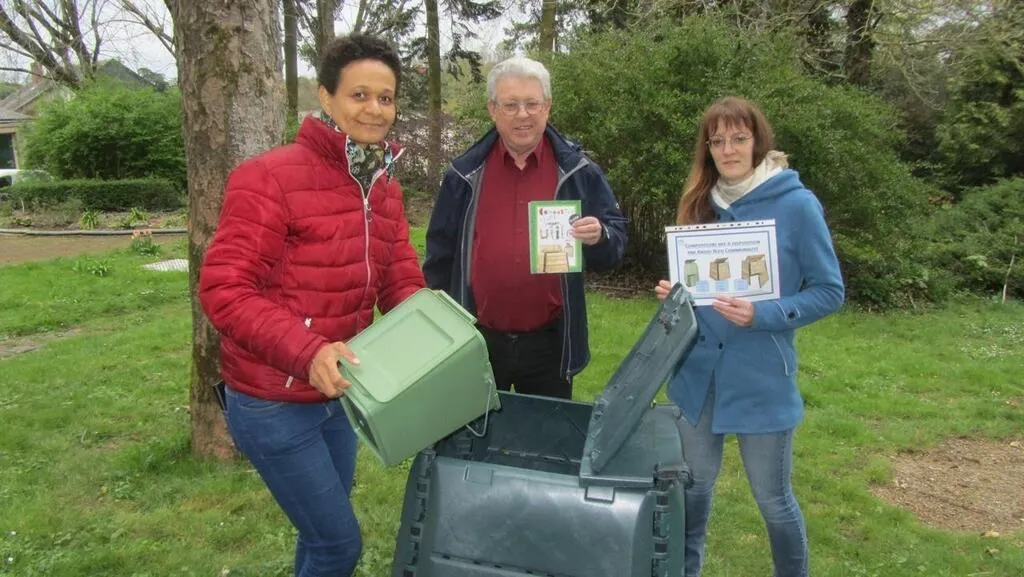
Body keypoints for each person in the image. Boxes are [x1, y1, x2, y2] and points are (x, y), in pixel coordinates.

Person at [198, 34, 425, 577]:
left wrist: (433, 328)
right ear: (326, 98)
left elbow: (398, 276)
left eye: (386, 98)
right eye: (359, 95)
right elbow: (224, 289)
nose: (375, 109)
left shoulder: (382, 186)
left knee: (320, 532)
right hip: (273, 399)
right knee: (336, 544)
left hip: (340, 392)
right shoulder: (269, 177)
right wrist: (308, 352)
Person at [655, 96, 844, 577]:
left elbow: (828, 290)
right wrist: (674, 297)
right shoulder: (699, 201)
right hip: (697, 377)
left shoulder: (796, 204)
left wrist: (764, 314)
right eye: (717, 141)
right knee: (690, 497)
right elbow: (695, 287)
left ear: (758, 141)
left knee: (774, 501)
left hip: (761, 376)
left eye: (739, 138)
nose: (728, 149)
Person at [423, 56, 627, 400]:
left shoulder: (578, 171)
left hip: (550, 342)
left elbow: (616, 240)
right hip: (479, 340)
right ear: (492, 109)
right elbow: (439, 256)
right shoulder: (463, 175)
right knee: (480, 445)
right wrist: (446, 327)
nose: (522, 114)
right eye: (511, 104)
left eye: (532, 104)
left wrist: (600, 235)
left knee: (546, 446)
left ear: (547, 107)